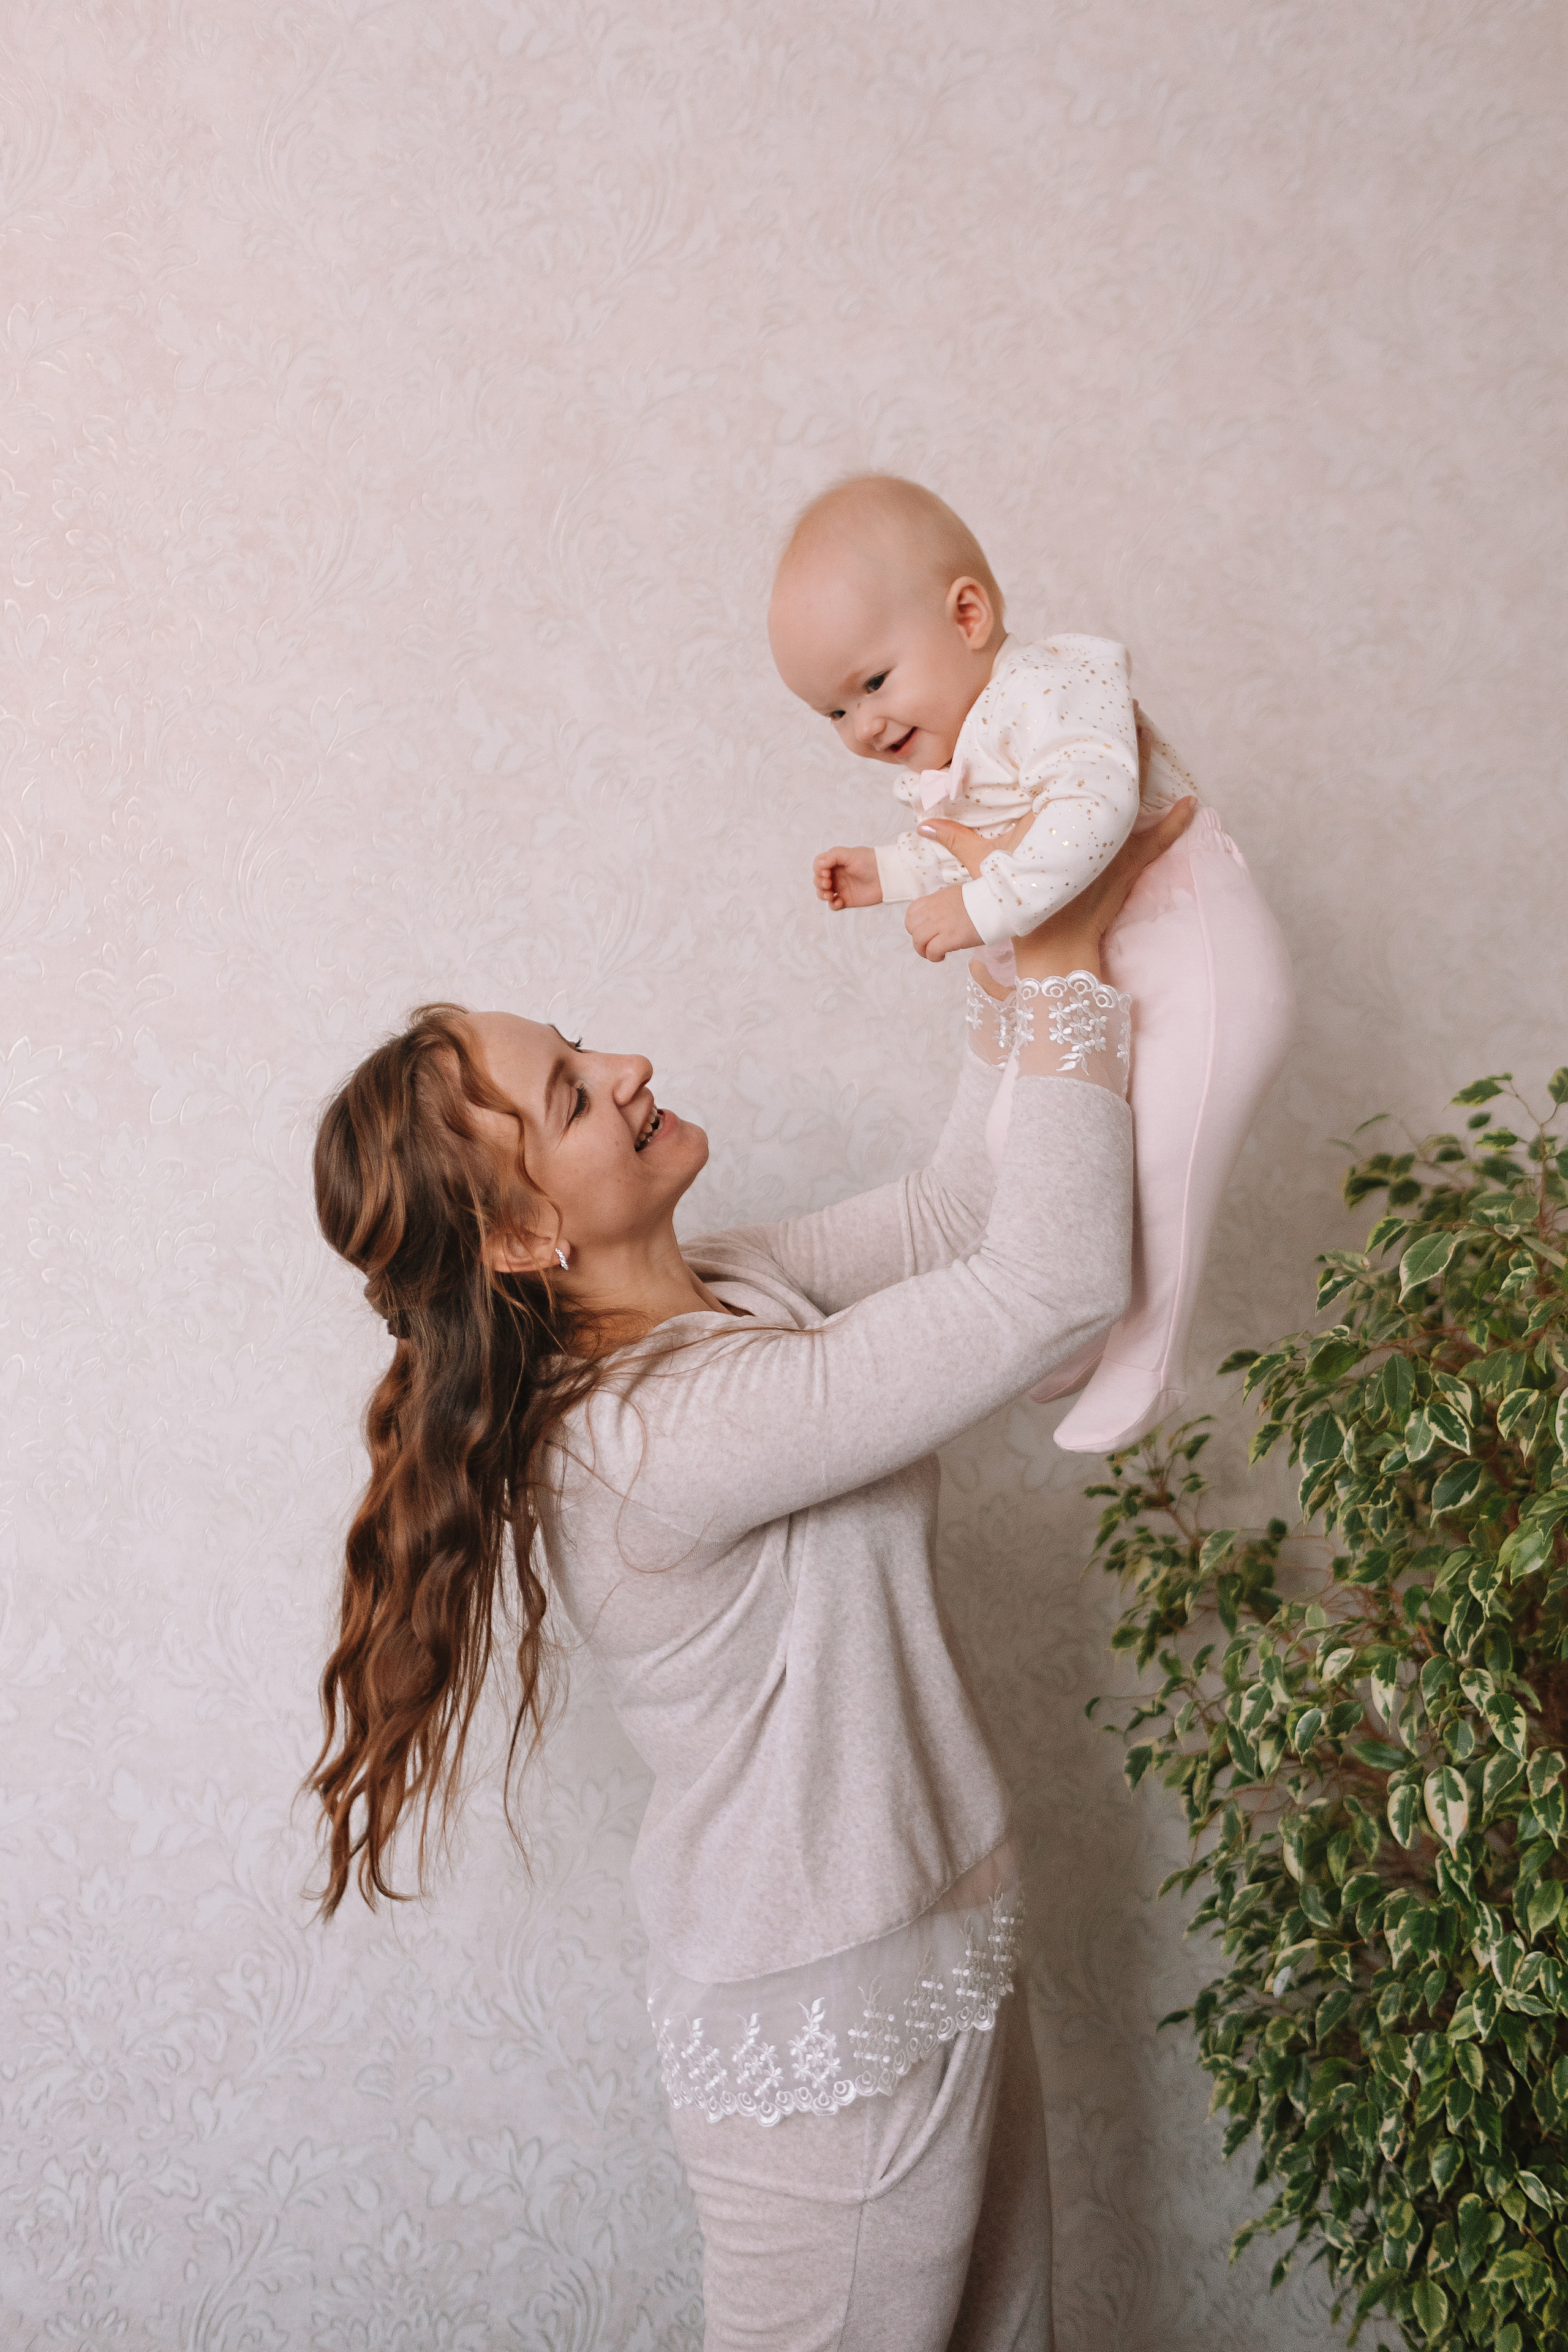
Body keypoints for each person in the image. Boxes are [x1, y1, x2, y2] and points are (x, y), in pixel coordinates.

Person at [307, 798, 1196, 2351]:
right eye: (576, 1095)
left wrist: (1005, 946)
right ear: (521, 1235)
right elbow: (1050, 1288)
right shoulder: (641, 1438)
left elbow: (954, 1217)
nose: (633, 1069)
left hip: (933, 1934)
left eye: (586, 1048)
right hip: (826, 2028)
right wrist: (1063, 955)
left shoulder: (726, 1288)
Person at [768, 473, 1294, 1452]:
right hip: (1125, 960)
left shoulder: (1057, 689)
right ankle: (1084, 1321)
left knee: (1169, 1159)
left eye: (873, 685)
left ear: (969, 613)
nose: (865, 731)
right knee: (1026, 1140)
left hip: (1203, 952)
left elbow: (1087, 822)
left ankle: (1150, 1354)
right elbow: (971, 843)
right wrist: (884, 872)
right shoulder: (958, 749)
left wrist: (978, 906)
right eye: (833, 715)